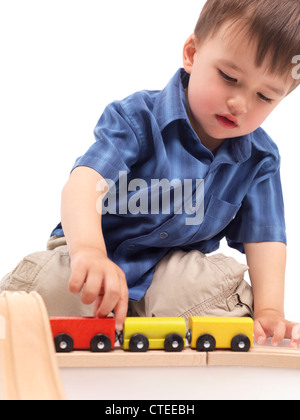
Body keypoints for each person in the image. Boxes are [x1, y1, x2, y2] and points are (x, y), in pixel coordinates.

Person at [1, 0, 300, 348]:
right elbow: (84, 183)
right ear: (192, 53)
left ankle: (146, 321)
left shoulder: (260, 157)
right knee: (49, 287)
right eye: (229, 78)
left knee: (206, 288)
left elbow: (265, 238)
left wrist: (269, 309)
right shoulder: (137, 117)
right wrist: (90, 251)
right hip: (97, 248)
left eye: (265, 96)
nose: (241, 103)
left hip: (172, 270)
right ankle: (76, 306)